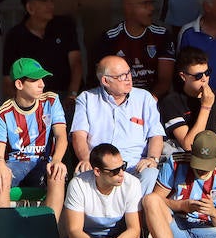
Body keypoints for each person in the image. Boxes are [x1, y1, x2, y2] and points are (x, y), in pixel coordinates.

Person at [70, 55, 165, 194]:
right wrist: (85, 159)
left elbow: (156, 135)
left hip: (134, 166)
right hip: (102, 167)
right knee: (82, 173)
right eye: (121, 76)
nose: (128, 78)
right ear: (105, 81)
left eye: (128, 73)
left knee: (151, 173)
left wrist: (152, 158)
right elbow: (78, 136)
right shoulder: (86, 99)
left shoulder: (145, 98)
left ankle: (134, 215)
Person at [0, 58, 68, 218]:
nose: (42, 84)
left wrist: (57, 160)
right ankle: (2, 232)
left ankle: (48, 230)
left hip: (43, 163)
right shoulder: (2, 113)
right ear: (19, 85)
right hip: (15, 165)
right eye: (35, 80)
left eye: (42, 79)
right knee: (1, 175)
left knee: (58, 173)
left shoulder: (51, 100)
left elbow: (62, 136)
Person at [1, 0, 82, 103]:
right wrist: (25, 105)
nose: (51, 5)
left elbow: (76, 63)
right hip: (32, 99)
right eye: (44, 1)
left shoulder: (65, 26)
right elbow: (8, 80)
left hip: (66, 96)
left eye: (51, 0)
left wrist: (72, 95)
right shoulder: (15, 36)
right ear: (30, 8)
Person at [93, 0, 175, 96]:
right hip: (120, 97)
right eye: (145, 4)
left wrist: (148, 101)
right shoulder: (109, 38)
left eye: (151, 4)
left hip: (155, 97)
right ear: (128, 8)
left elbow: (165, 80)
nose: (152, 8)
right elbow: (105, 79)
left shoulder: (162, 35)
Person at [159, 46, 216, 156]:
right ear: (183, 76)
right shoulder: (171, 102)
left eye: (207, 72)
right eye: (198, 76)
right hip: (187, 160)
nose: (204, 78)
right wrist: (206, 107)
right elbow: (189, 145)